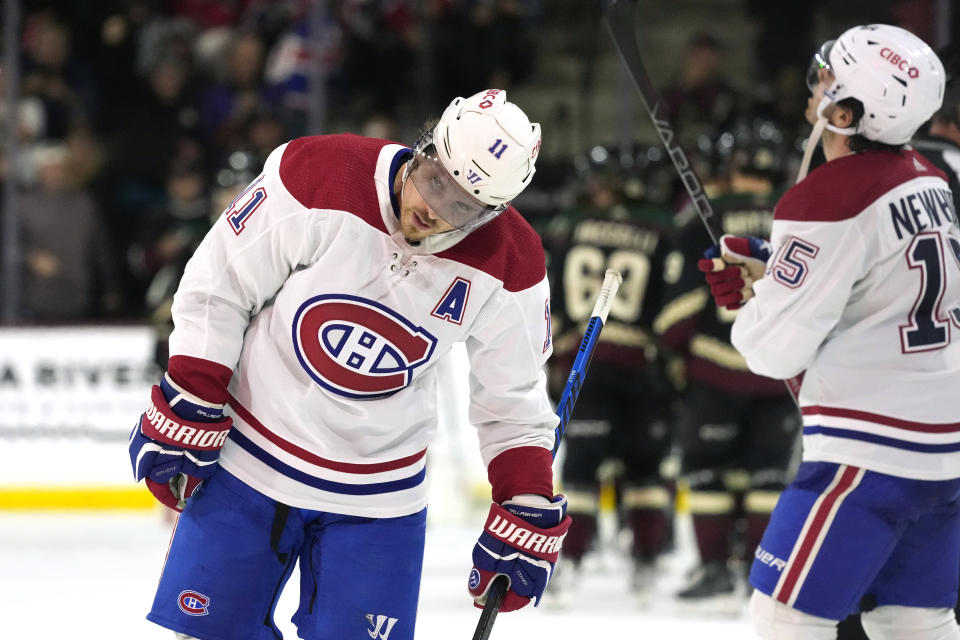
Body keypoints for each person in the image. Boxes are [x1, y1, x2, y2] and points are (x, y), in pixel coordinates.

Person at [128, 88, 572, 640]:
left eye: (461, 206)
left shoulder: (513, 261)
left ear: (492, 212)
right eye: (435, 182)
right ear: (425, 147)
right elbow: (218, 286)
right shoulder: (319, 170)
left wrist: (523, 498)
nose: (434, 210)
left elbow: (512, 401)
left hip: (380, 498)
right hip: (249, 463)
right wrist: (193, 393)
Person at [699, 25, 960, 639]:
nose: (813, 86)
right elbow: (885, 284)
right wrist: (779, 270)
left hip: (869, 457)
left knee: (785, 616)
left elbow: (771, 350)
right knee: (914, 621)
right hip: (944, 447)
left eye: (825, 77)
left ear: (846, 111)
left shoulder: (825, 197)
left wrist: (760, 300)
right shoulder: (929, 179)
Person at [655, 119, 800, 608]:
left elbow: (679, 312)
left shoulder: (702, 215)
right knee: (768, 474)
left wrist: (669, 356)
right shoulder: (797, 215)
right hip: (781, 371)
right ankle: (762, 574)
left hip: (716, 370)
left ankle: (716, 570)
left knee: (707, 472)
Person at [542, 144, 676, 600]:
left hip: (588, 362)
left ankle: (570, 561)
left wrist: (554, 355)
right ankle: (646, 560)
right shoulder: (658, 228)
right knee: (644, 469)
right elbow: (666, 304)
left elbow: (552, 300)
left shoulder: (568, 227)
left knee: (581, 469)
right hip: (640, 364)